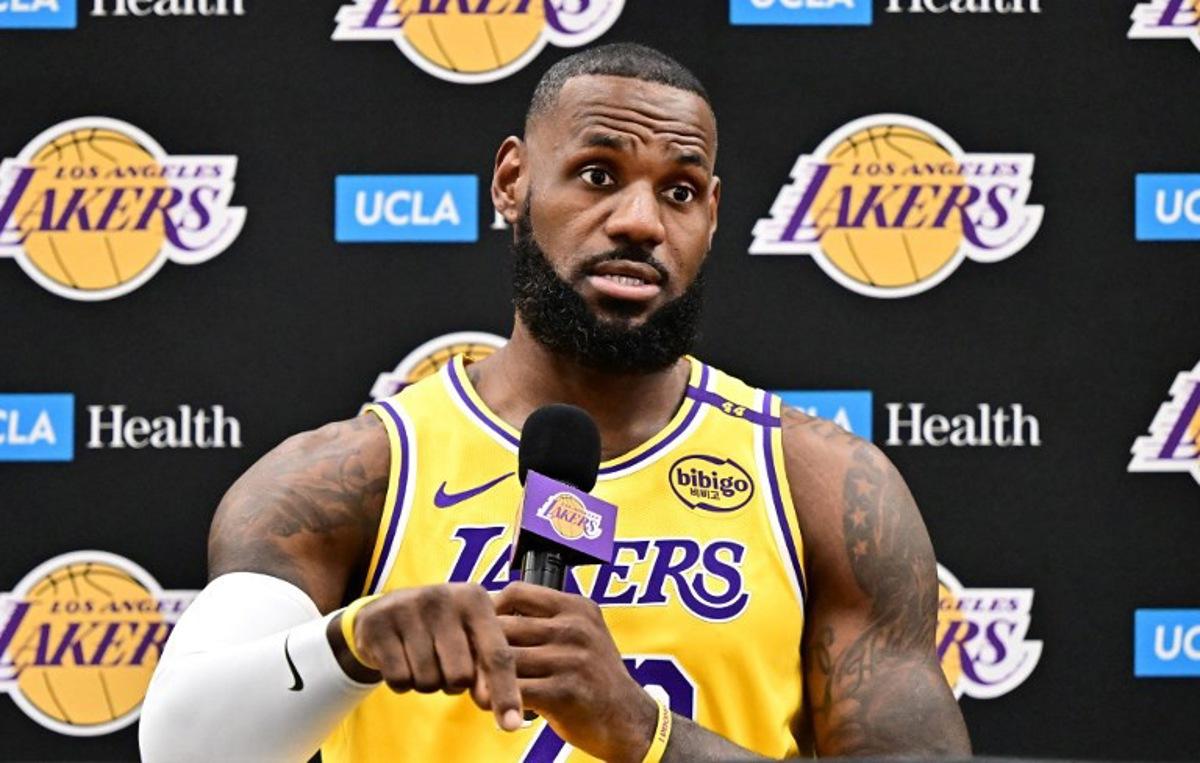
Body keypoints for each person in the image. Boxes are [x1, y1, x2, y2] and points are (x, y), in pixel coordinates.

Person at [140, 43, 971, 762]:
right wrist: (347, 647)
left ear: (713, 216)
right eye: (598, 175)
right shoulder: (349, 477)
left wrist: (642, 731)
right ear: (513, 181)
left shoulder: (821, 484)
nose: (640, 220)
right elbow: (184, 747)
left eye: (679, 191)